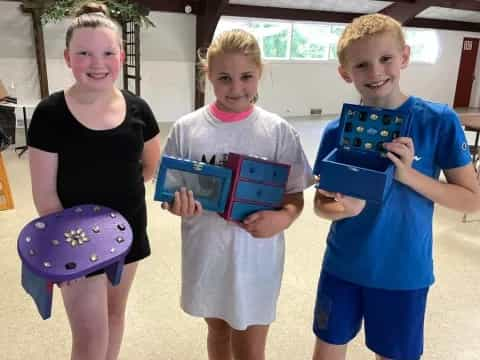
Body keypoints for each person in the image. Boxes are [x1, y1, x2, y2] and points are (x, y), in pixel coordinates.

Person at [312, 13, 480, 360]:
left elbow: (471, 200)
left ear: (404, 57)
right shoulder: (336, 131)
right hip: (342, 265)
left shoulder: (439, 121)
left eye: (385, 59)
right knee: (327, 351)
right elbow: (320, 204)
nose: (375, 73)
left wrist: (410, 175)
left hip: (403, 271)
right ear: (345, 73)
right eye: (361, 65)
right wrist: (343, 207)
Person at [161, 29, 312, 360]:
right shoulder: (187, 130)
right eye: (224, 78)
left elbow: (295, 194)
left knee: (248, 347)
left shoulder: (277, 132)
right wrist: (177, 206)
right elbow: (169, 194)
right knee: (217, 331)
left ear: (260, 74)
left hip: (256, 258)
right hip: (207, 253)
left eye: (246, 77)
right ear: (208, 77)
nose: (236, 88)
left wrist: (283, 217)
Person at [27, 2, 161, 359]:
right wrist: (71, 247)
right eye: (84, 53)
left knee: (114, 315)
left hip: (127, 230)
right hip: (74, 240)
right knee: (88, 335)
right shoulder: (49, 114)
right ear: (68, 58)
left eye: (107, 52)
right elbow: (44, 194)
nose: (97, 63)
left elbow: (149, 168)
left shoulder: (139, 110)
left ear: (121, 56)